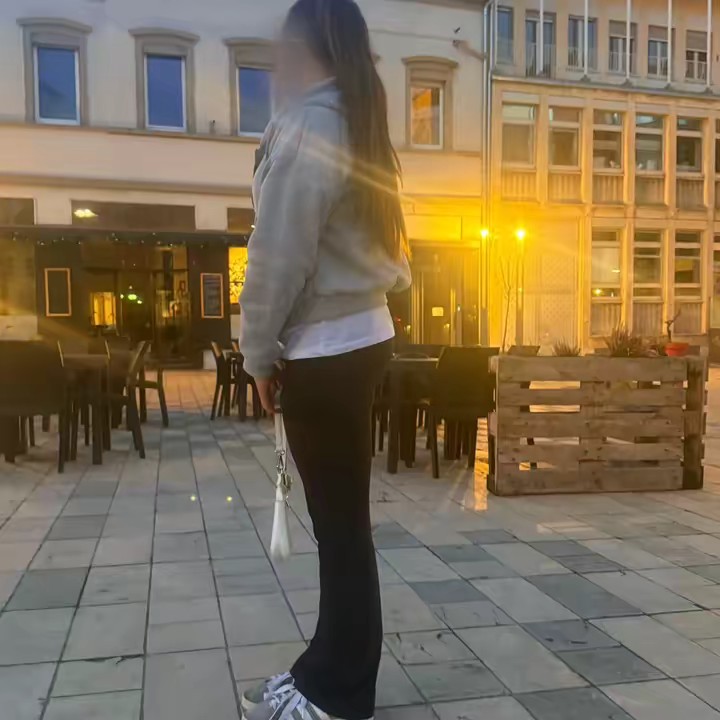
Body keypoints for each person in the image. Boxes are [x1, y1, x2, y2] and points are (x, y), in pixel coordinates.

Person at [238, 0, 410, 718]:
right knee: (344, 529)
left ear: (310, 49)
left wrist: (257, 354)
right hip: (359, 338)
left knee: (340, 531)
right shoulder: (359, 121)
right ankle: (325, 670)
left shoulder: (313, 123)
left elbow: (276, 255)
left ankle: (339, 692)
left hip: (324, 349)